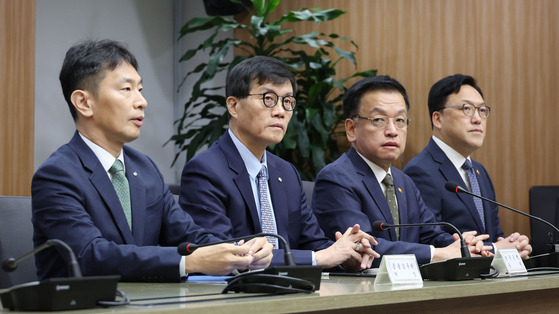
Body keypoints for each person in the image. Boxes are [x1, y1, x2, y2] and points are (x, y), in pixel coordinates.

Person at [31, 39, 273, 282]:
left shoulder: (144, 168)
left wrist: (241, 252)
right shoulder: (57, 175)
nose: (141, 101)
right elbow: (91, 255)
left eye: (140, 89)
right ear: (84, 103)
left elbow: (188, 235)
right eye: (126, 89)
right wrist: (187, 262)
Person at [179, 56, 379, 270]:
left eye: (287, 102)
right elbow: (223, 253)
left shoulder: (285, 172)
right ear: (234, 106)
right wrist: (318, 258)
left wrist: (347, 254)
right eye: (268, 99)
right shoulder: (205, 170)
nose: (280, 111)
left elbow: (315, 244)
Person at [312, 75, 491, 267]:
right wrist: (436, 254)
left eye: (400, 120)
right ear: (351, 129)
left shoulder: (403, 181)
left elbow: (432, 234)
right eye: (379, 120)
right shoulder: (337, 178)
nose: (392, 130)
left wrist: (462, 246)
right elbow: (364, 247)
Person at [403, 74, 532, 257]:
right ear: (437, 119)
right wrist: (496, 249)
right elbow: (431, 239)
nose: (478, 119)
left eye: (482, 110)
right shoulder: (420, 171)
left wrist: (512, 247)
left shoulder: (478, 171)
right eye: (466, 109)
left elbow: (493, 234)